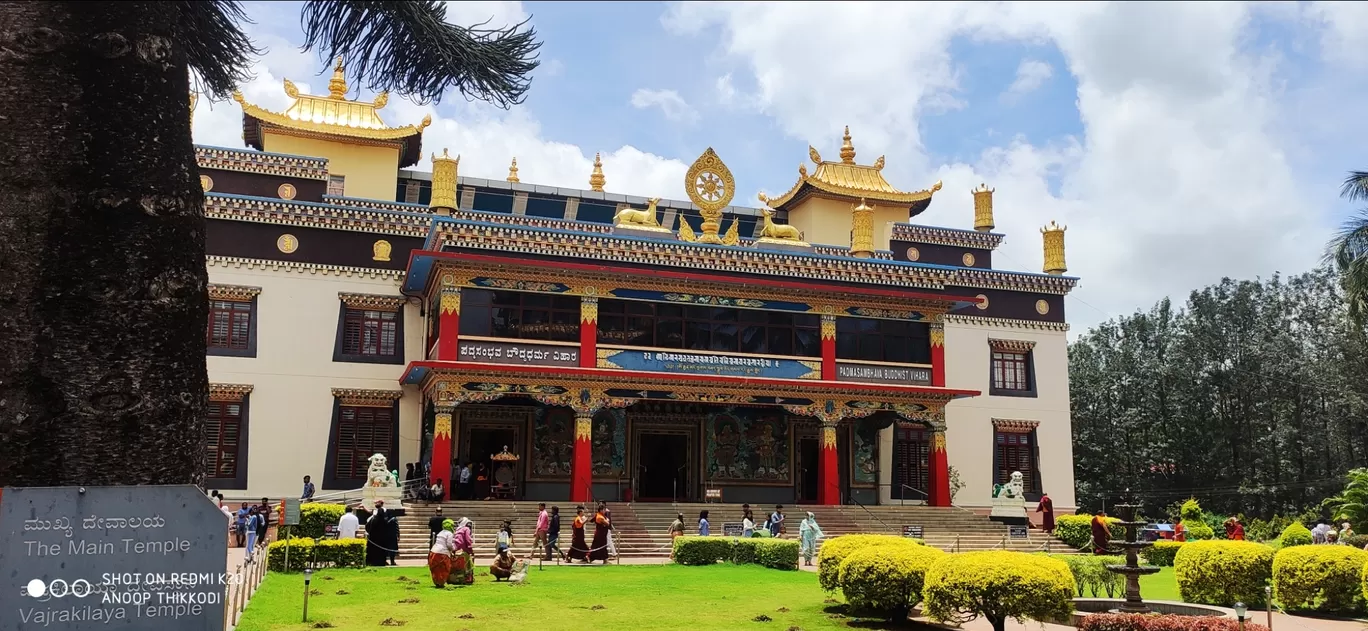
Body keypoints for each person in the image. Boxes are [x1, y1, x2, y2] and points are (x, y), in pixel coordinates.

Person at [428, 519, 456, 588]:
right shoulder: (449, 534)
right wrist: (453, 549)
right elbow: (449, 545)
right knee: (444, 568)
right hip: (442, 553)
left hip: (433, 551)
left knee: (435, 569)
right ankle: (441, 583)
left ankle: (437, 583)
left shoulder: (440, 533)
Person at [451, 518, 475, 585]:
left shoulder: (458, 529)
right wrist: (470, 550)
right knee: (468, 564)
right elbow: (468, 540)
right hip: (464, 550)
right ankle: (468, 578)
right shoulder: (466, 529)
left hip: (456, 549)